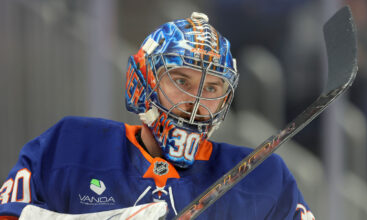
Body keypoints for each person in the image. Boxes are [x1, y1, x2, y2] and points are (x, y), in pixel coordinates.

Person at [0, 12, 314, 219]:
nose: (196, 100)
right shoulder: (69, 144)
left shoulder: (263, 178)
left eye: (213, 88)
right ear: (143, 81)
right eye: (181, 81)